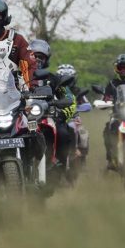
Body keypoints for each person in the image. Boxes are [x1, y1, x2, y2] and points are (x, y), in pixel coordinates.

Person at [30, 39, 76, 171]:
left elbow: (69, 97)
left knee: (63, 133)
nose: (37, 60)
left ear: (46, 60)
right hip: (23, 117)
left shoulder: (53, 78)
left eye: (41, 57)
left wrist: (61, 113)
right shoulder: (18, 76)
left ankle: (60, 165)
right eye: (34, 56)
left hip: (48, 116)